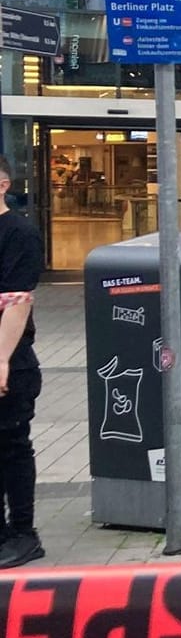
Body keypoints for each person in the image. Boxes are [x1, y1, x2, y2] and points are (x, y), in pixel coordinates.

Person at [0, 157, 42, 569]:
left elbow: (17, 301)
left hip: (12, 360)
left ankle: (24, 533)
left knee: (12, 445)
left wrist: (2, 360)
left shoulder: (19, 233)